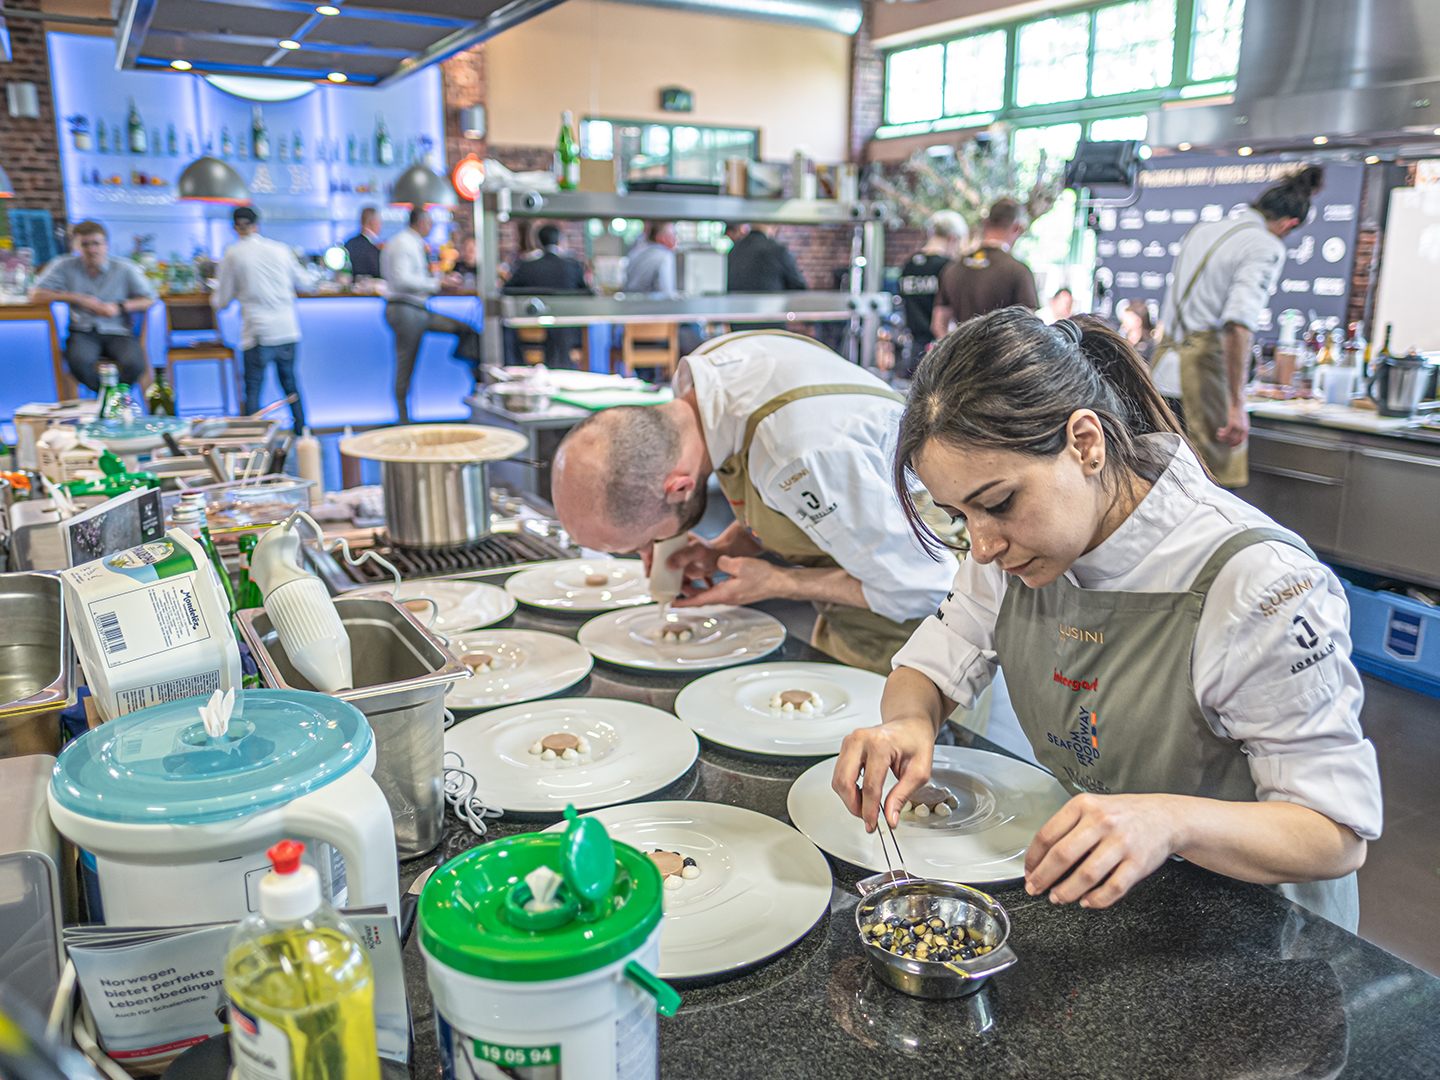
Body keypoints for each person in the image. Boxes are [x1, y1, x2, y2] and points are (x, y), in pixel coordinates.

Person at [832, 309, 1381, 930]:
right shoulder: (1012, 549)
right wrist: (908, 722)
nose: (981, 545)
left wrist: (1168, 821)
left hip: (1260, 934)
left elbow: (1333, 833)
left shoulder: (1256, 583)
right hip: (1117, 901)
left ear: (1085, 443)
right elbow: (934, 660)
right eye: (960, 516)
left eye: (998, 503)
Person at [550, 330, 957, 674]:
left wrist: (781, 582)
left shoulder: (799, 455)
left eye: (642, 543)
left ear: (679, 487)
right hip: (850, 602)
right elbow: (789, 500)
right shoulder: (702, 383)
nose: (648, 556)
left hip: (916, 635)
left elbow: (926, 585)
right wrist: (727, 547)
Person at [1154, 167, 1323, 488]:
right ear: (1290, 225)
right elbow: (1238, 325)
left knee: (1161, 485)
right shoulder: (1265, 245)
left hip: (1162, 374)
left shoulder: (1204, 229)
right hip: (1201, 383)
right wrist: (1236, 405)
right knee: (1208, 491)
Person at [212, 207, 311, 431]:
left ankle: (251, 437)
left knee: (253, 388)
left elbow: (221, 301)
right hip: (287, 328)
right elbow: (305, 282)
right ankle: (302, 432)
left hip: (257, 332)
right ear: (257, 225)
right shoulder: (280, 249)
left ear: (235, 227)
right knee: (290, 384)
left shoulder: (233, 254)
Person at [381, 208, 481, 424]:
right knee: (405, 365)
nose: (432, 227)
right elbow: (402, 281)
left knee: (466, 329)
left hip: (417, 309)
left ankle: (478, 388)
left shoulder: (411, 242)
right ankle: (403, 421)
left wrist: (440, 282)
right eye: (430, 222)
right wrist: (437, 283)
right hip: (405, 309)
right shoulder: (403, 243)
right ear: (421, 222)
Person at [32, 221, 157, 393]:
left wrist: (119, 307)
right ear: (76, 246)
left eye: (96, 244)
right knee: (79, 362)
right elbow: (35, 294)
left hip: (119, 331)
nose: (91, 249)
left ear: (106, 245)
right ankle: (106, 399)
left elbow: (150, 298)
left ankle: (114, 399)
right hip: (83, 331)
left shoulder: (125, 268)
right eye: (85, 244)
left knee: (134, 364)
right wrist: (78, 298)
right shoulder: (64, 265)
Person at [931, 197, 1038, 340]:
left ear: (986, 223)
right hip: (1001, 359)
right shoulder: (1019, 271)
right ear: (1017, 227)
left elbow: (938, 325)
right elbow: (1028, 329)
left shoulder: (953, 268)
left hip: (962, 356)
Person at [503, 223, 591, 369]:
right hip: (568, 339)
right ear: (560, 241)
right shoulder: (573, 266)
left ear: (538, 242)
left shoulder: (526, 266)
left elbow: (506, 291)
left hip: (529, 338)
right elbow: (588, 295)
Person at [895, 210, 968, 377]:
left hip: (912, 349)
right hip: (940, 347)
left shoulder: (909, 266)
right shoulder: (949, 267)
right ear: (954, 238)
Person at [726, 223, 807, 294]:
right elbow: (798, 288)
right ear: (773, 227)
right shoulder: (777, 251)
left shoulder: (733, 250)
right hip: (772, 309)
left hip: (736, 309)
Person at [623, 221, 677, 296]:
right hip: (652, 306)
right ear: (661, 237)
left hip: (629, 305)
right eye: (673, 235)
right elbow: (667, 293)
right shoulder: (665, 256)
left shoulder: (635, 252)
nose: (675, 240)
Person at [343, 207, 383, 279]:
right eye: (380, 222)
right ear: (372, 223)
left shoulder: (350, 243)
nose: (381, 226)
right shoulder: (373, 247)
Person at [1119, 298, 1157, 363]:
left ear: (1138, 320)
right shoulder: (1121, 344)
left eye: (1129, 316)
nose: (1124, 319)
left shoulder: (1149, 348)